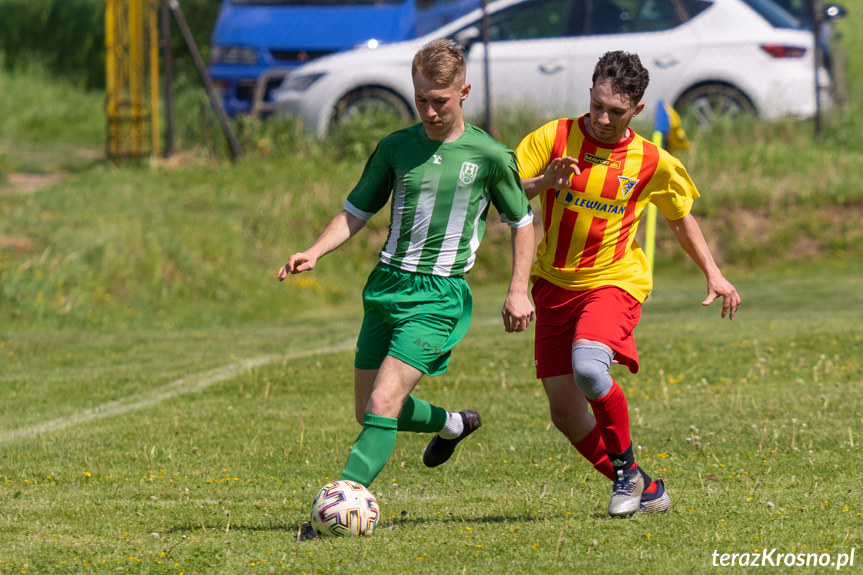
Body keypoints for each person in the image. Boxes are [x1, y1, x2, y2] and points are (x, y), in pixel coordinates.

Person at [278, 39, 536, 508]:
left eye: (439, 101)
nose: (430, 111)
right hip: (386, 285)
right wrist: (314, 251)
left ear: (464, 92)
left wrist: (518, 290)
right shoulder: (395, 147)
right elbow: (354, 211)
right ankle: (453, 423)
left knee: (382, 403)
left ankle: (341, 501)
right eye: (421, 100)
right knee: (368, 410)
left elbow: (522, 222)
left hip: (439, 296)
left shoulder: (492, 155)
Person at [515, 50, 741, 517]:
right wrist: (543, 183)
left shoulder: (652, 160)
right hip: (554, 284)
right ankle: (645, 485)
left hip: (614, 280)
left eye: (615, 112)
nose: (601, 118)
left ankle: (624, 474)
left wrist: (713, 272)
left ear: (636, 109)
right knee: (565, 413)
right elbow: (505, 194)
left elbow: (680, 220)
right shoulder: (552, 137)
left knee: (590, 369)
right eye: (596, 104)